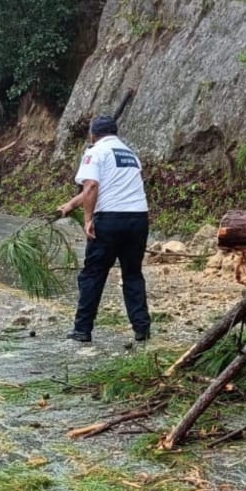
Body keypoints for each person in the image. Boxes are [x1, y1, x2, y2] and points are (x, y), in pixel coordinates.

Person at [57, 113, 151, 344]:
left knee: (93, 274)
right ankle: (141, 328)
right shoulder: (129, 154)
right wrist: (71, 205)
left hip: (110, 220)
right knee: (132, 273)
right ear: (114, 132)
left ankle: (82, 329)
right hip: (138, 219)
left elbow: (91, 186)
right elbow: (102, 186)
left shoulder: (95, 152)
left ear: (93, 134)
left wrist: (88, 219)